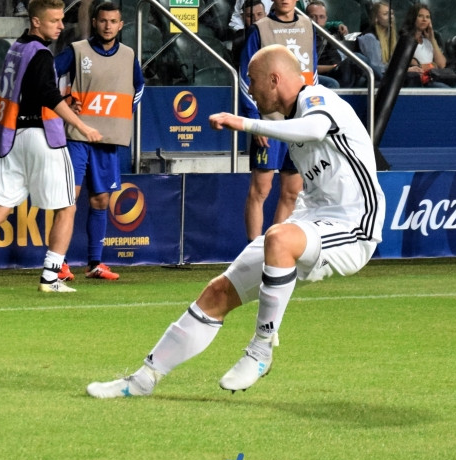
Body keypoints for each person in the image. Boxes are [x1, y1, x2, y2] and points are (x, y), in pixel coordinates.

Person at [86, 45, 386, 398]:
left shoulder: (319, 100)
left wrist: (242, 122)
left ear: (274, 80)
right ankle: (142, 380)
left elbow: (314, 129)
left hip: (356, 225)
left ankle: (261, 350)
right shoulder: (290, 117)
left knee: (278, 238)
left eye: (254, 82)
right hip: (317, 219)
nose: (251, 91)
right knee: (218, 291)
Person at [0, 0, 102, 295]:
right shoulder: (41, 53)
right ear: (36, 21)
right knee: (67, 207)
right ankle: (50, 276)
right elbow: (46, 94)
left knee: (0, 207)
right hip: (43, 137)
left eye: (61, 19)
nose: (60, 26)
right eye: (54, 21)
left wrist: (64, 101)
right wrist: (80, 124)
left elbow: (29, 90)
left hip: (13, 136)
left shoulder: (16, 49)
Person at [53, 1, 145, 282]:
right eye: (103, 21)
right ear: (95, 22)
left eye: (113, 21)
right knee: (69, 198)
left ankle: (95, 263)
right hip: (77, 136)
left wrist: (123, 114)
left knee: (101, 199)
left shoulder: (129, 55)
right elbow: (49, 75)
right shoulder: (78, 50)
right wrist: (65, 101)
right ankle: (59, 263)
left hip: (107, 139)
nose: (108, 26)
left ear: (121, 25)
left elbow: (139, 86)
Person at [238, 0, 315, 242]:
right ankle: (251, 251)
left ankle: (272, 248)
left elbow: (312, 75)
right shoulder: (260, 29)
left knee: (292, 190)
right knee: (261, 189)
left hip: (298, 123)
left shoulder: (307, 26)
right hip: (269, 122)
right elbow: (243, 77)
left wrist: (311, 115)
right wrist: (254, 120)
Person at [399, 2, 456, 88]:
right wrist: (430, 65)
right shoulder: (405, 39)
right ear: (413, 18)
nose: (424, 19)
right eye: (420, 16)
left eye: (427, 17)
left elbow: (441, 64)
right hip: (423, 80)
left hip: (437, 76)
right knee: (444, 89)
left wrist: (432, 39)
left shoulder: (429, 40)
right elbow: (408, 64)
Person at [307, 0, 360, 88]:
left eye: (321, 17)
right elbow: (306, 68)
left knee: (363, 77)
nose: (317, 21)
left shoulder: (328, 34)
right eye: (313, 17)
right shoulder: (303, 36)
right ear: (305, 17)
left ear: (326, 19)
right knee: (358, 57)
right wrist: (332, 67)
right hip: (323, 73)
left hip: (338, 70)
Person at [357, 0, 397, 80]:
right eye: (386, 14)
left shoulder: (390, 36)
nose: (391, 17)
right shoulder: (369, 37)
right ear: (376, 18)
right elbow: (377, 68)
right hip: (370, 79)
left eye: (392, 13)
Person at [231, 0, 266, 64]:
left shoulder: (274, 32)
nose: (256, 19)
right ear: (243, 18)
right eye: (250, 16)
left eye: (259, 14)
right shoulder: (240, 39)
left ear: (266, 15)